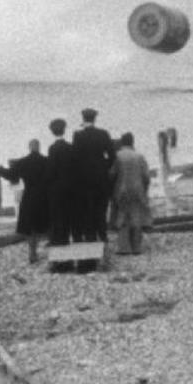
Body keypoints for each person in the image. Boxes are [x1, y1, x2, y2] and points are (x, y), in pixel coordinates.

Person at [0, 139, 48, 264]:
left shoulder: (23, 162)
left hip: (29, 196)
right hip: (44, 196)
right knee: (47, 224)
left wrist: (0, 169)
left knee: (31, 227)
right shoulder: (46, 161)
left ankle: (32, 253)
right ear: (39, 147)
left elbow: (12, 175)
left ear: (29, 148)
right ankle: (53, 250)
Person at [71, 107, 116, 243]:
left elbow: (75, 157)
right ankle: (103, 234)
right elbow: (112, 156)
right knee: (101, 208)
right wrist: (104, 165)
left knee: (87, 207)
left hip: (84, 179)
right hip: (101, 177)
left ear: (83, 119)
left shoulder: (78, 135)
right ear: (95, 119)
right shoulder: (103, 134)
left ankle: (90, 235)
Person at [110, 132, 152, 255]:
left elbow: (112, 174)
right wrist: (145, 189)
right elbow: (146, 176)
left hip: (121, 190)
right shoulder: (140, 156)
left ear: (122, 142)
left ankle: (124, 248)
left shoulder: (117, 156)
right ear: (132, 142)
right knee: (136, 216)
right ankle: (136, 247)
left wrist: (111, 190)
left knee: (122, 217)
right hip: (138, 190)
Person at [45, 118, 79, 270]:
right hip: (71, 190)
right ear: (64, 130)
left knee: (58, 226)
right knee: (71, 224)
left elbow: (51, 172)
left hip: (57, 191)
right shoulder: (70, 148)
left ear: (52, 132)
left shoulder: (53, 149)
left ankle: (61, 262)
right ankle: (74, 257)